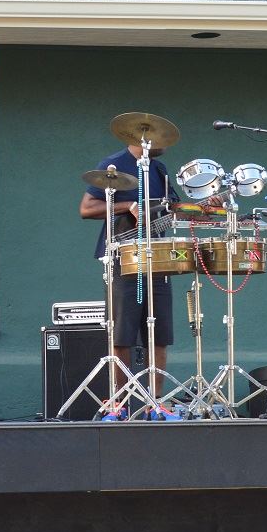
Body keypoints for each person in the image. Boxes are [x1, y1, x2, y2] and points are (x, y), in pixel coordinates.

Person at [79, 141, 178, 377]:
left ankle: (155, 404)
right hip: (122, 256)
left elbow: (174, 209)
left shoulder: (159, 169)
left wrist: (206, 206)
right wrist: (128, 205)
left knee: (159, 334)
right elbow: (87, 208)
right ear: (138, 136)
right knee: (122, 333)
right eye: (158, 137)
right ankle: (121, 404)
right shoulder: (113, 166)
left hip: (157, 258)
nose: (164, 142)